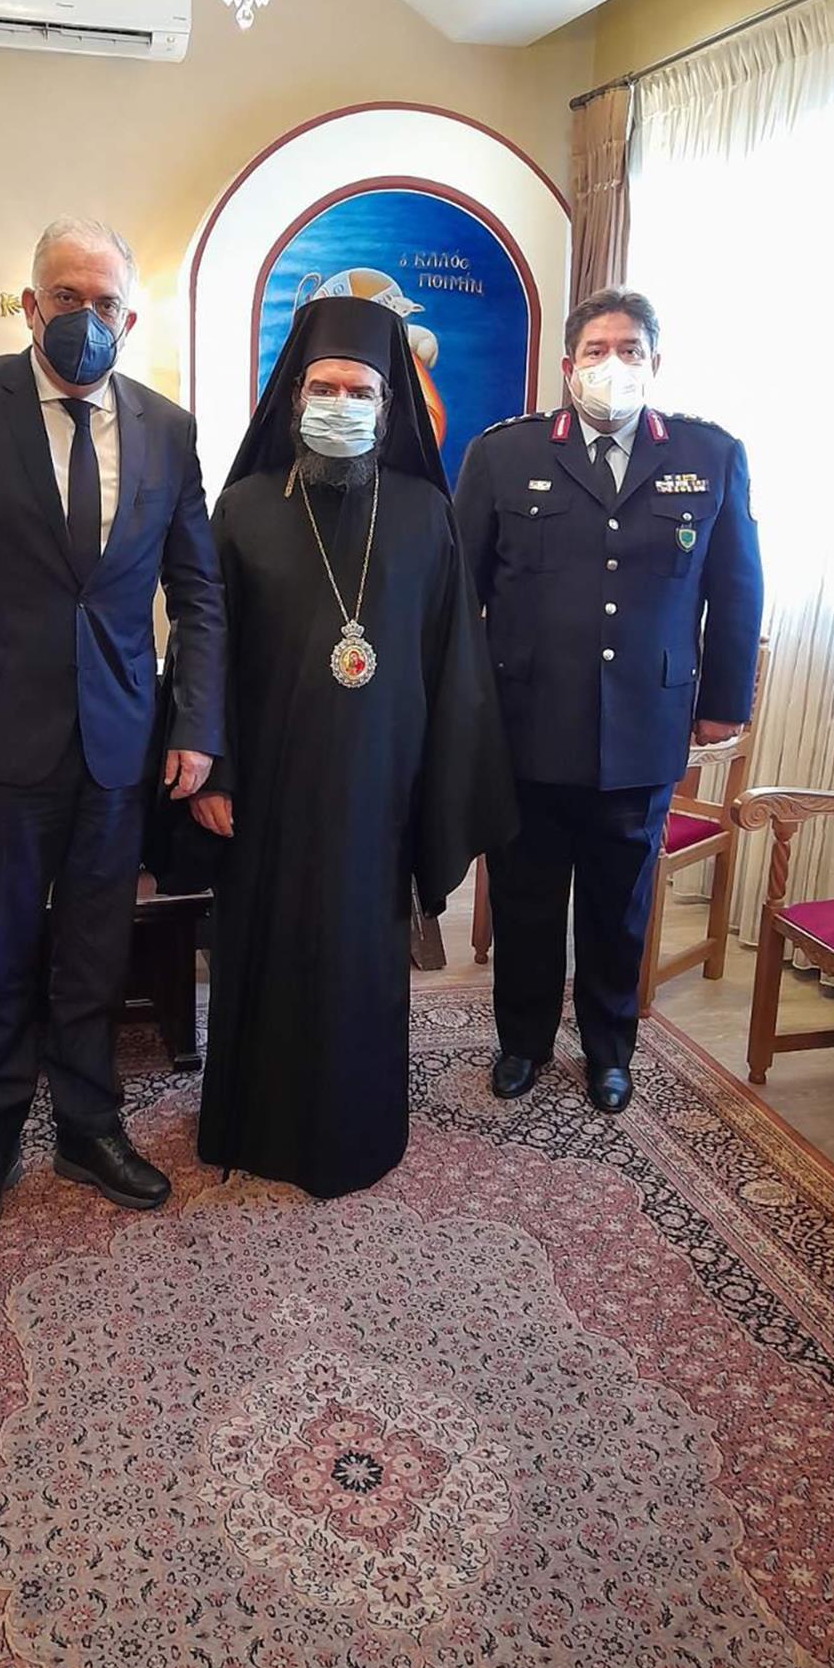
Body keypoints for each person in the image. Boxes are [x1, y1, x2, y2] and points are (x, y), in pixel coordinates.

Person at [0, 218, 226, 1238]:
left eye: (104, 301)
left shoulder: (167, 429)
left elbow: (197, 592)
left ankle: (87, 1125)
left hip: (118, 739)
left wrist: (196, 721)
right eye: (65, 296)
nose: (86, 316)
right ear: (31, 305)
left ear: (130, 316)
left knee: (93, 948)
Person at [191, 294, 514, 1198]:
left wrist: (442, 787)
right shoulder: (244, 508)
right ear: (295, 397)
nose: (341, 403)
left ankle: (359, 1128)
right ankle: (255, 1124)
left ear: (388, 404)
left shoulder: (425, 513)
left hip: (382, 790)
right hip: (268, 788)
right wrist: (213, 770)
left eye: (360, 390)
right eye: (324, 388)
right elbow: (207, 654)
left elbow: (454, 664)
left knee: (361, 962)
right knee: (267, 948)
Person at [454, 286, 763, 1114]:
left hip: (643, 726)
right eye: (596, 350)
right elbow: (459, 592)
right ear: (568, 366)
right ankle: (522, 1041)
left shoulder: (710, 454)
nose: (613, 363)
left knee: (618, 905)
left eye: (630, 349)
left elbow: (737, 588)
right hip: (525, 723)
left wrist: (724, 700)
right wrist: (463, 710)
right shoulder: (504, 455)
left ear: (655, 363)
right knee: (525, 895)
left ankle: (608, 1050)